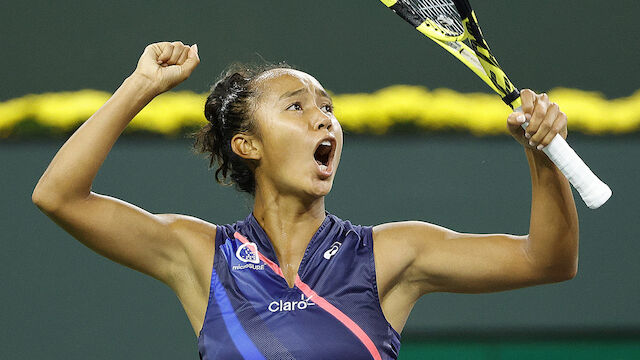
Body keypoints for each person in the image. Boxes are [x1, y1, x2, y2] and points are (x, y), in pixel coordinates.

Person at [32, 41, 578, 360]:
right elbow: (58, 196)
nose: (324, 118)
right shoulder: (201, 257)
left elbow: (547, 261)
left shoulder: (390, 256)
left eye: (328, 107)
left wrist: (542, 155)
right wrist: (141, 85)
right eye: (296, 107)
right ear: (247, 146)